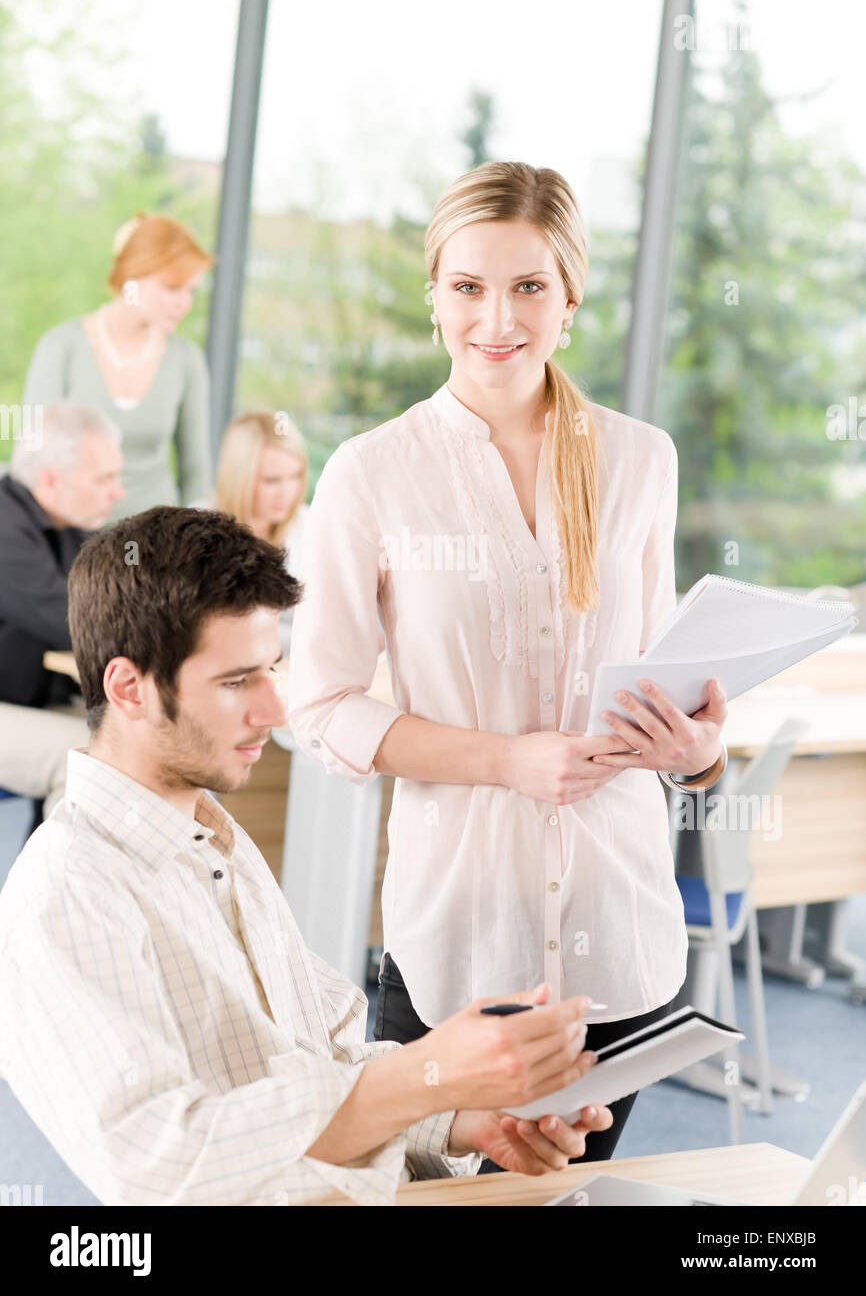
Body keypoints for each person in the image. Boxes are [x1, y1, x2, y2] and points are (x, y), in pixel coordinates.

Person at [287, 160, 729, 1168]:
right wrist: (507, 759)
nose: (497, 316)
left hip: (618, 946)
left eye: (528, 286)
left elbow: (663, 681)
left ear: (568, 299)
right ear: (434, 295)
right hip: (456, 948)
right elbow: (319, 706)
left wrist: (696, 748)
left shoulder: (639, 462)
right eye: (469, 286)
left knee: (563, 1210)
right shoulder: (370, 471)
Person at [0, 505, 613, 1206]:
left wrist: (460, 1118)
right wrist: (426, 1076)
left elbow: (327, 1053)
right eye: (236, 682)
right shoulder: (69, 896)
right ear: (127, 688)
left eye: (273, 670)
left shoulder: (213, 837)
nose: (275, 708)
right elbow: (162, 1165)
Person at [22, 212, 213, 519]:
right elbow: (33, 461)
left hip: (157, 546)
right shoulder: (61, 347)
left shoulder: (186, 359)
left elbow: (196, 472)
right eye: (172, 288)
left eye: (191, 291)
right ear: (131, 277)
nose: (186, 303)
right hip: (73, 542)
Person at [0, 402, 125, 816]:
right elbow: (74, 620)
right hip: (12, 703)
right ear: (51, 480)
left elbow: (118, 599)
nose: (117, 491)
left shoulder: (68, 524)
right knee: (84, 760)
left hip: (28, 697)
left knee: (139, 740)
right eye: (104, 478)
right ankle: (50, 883)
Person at [215, 411, 309, 653]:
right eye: (271, 481)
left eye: (295, 476)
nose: (286, 493)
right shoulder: (199, 531)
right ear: (239, 478)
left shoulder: (309, 524)